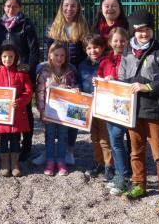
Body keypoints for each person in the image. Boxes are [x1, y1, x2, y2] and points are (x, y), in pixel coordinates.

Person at [119, 11, 159, 211]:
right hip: (132, 110)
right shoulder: (127, 50)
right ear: (133, 31)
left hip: (153, 110)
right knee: (136, 151)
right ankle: (138, 184)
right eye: (139, 30)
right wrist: (113, 83)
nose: (143, 34)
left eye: (147, 30)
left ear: (152, 30)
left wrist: (147, 87)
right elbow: (122, 76)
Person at [42, 0, 90, 165]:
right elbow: (46, 52)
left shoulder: (83, 28)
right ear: (61, 7)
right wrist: (47, 72)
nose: (69, 9)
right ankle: (49, 150)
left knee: (73, 113)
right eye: (66, 5)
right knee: (52, 112)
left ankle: (69, 150)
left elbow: (87, 52)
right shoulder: (52, 27)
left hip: (74, 75)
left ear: (78, 8)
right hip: (54, 74)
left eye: (73, 6)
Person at [0, 0, 39, 162]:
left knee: (25, 111)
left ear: (19, 7)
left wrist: (28, 69)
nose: (10, 9)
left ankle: (26, 147)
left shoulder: (26, 24)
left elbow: (34, 50)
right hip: (5, 71)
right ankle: (8, 147)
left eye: (14, 6)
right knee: (5, 109)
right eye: (7, 6)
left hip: (21, 72)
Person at [0, 44, 32, 177]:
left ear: (16, 58)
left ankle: (14, 164)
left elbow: (28, 92)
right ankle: (4, 164)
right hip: (2, 115)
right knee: (3, 139)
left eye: (11, 56)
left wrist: (19, 102)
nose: (8, 59)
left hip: (17, 113)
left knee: (15, 139)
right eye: (4, 56)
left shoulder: (22, 74)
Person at [97, 27, 130, 196]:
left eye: (122, 40)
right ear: (110, 42)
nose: (119, 44)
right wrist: (101, 82)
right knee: (114, 141)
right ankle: (120, 174)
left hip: (125, 108)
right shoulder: (105, 61)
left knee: (117, 140)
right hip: (109, 107)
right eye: (116, 40)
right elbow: (99, 80)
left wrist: (116, 80)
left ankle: (124, 176)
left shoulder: (130, 58)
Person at [36, 42, 77, 176]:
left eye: (62, 55)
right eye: (56, 55)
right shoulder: (44, 72)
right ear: (50, 55)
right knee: (49, 136)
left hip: (64, 113)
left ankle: (60, 161)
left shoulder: (69, 71)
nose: (59, 58)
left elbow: (75, 90)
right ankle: (49, 161)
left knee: (63, 137)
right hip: (50, 112)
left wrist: (71, 89)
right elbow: (40, 92)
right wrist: (42, 111)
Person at [77, 35, 113, 181]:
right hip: (89, 104)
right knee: (94, 137)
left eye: (96, 47)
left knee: (105, 137)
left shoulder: (107, 63)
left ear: (103, 47)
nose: (93, 50)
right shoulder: (82, 65)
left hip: (104, 105)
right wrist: (78, 91)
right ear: (85, 50)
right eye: (89, 48)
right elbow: (79, 82)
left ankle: (109, 165)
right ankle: (98, 162)